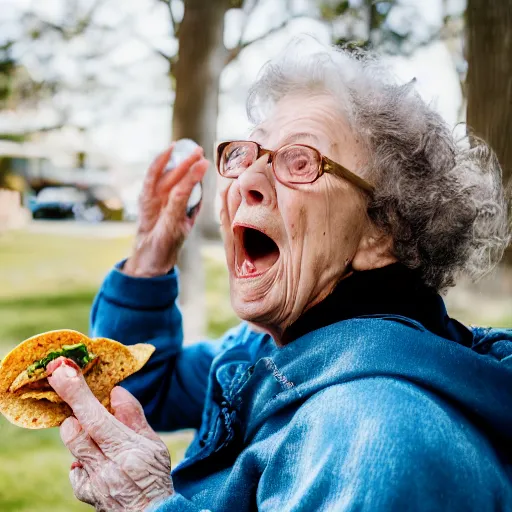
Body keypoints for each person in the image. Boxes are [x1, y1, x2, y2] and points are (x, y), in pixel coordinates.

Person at [46, 40, 512, 511]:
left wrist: (147, 505)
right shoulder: (265, 350)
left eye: (301, 161)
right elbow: (148, 390)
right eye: (248, 155)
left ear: (381, 230)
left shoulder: (370, 432)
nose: (247, 179)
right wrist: (150, 254)